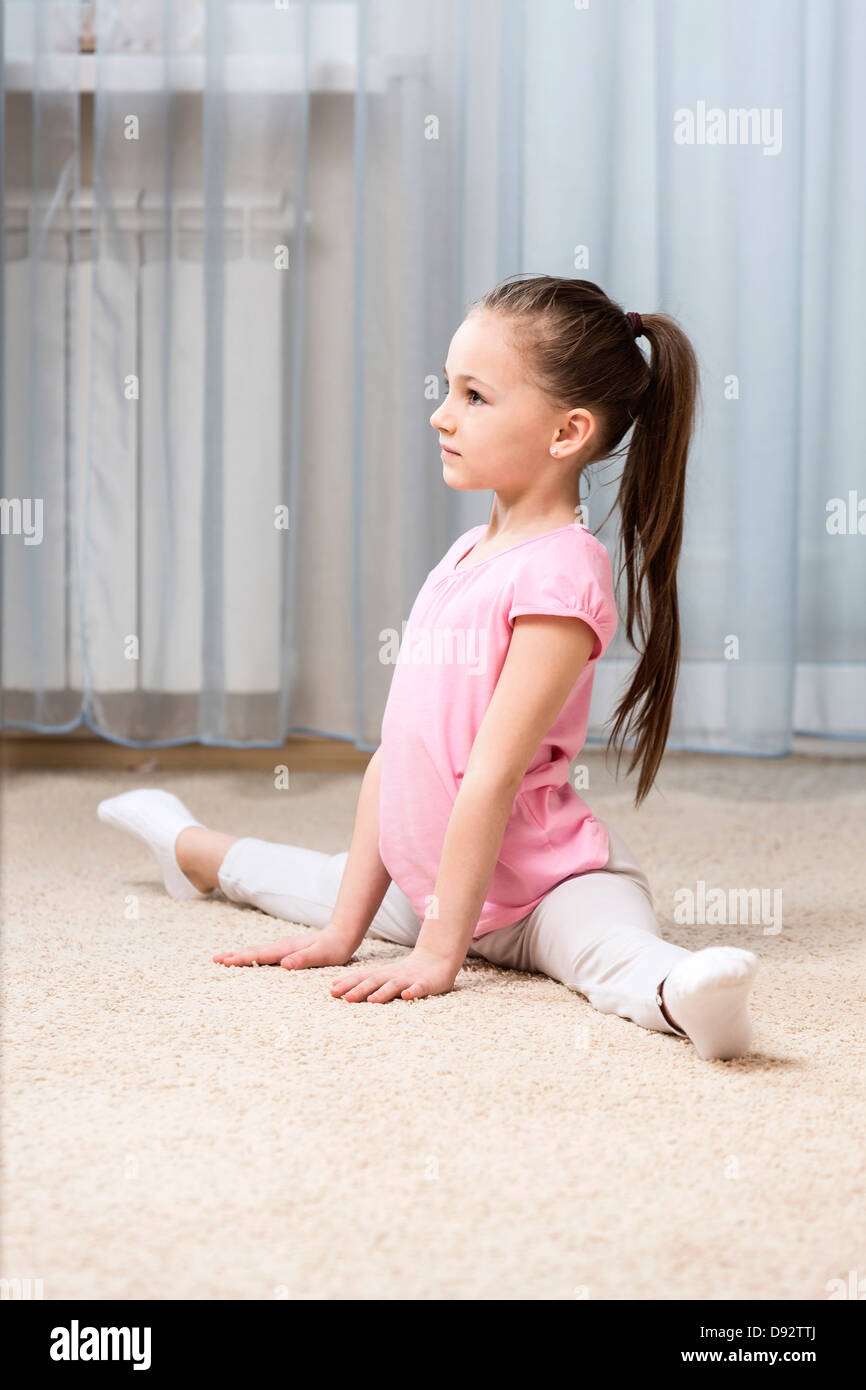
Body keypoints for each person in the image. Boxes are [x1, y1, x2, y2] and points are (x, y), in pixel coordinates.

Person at [98, 274, 759, 1061]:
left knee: (605, 948)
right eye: (450, 388)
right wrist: (347, 931)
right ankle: (187, 848)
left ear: (566, 432)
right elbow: (399, 751)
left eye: (475, 396)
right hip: (438, 884)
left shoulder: (562, 574)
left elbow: (490, 776)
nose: (442, 414)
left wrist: (441, 955)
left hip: (546, 889)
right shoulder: (462, 556)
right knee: (313, 884)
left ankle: (688, 998)